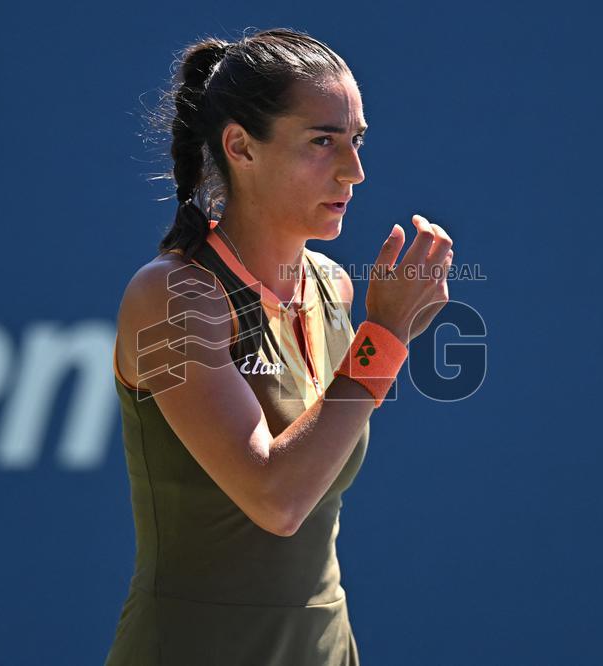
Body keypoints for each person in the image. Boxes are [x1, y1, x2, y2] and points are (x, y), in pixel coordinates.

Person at [105, 28, 454, 665]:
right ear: (240, 146)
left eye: (356, 140)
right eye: (322, 141)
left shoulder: (333, 286)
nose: (354, 171)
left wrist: (387, 334)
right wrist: (384, 337)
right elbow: (276, 499)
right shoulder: (169, 296)